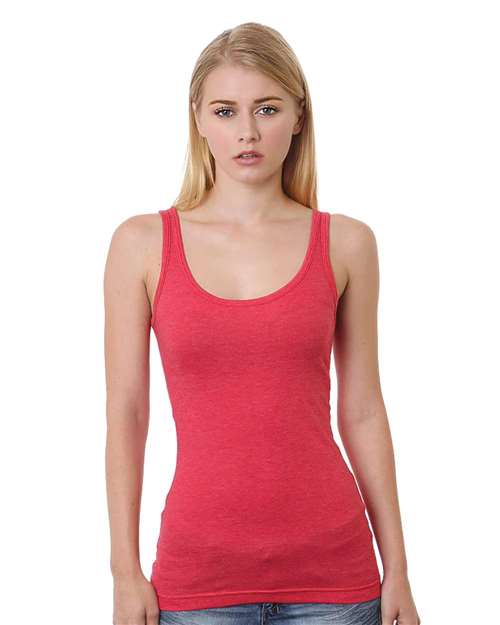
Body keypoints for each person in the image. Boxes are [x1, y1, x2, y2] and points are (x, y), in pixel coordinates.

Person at [104, 21, 421, 625]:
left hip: (335, 579)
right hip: (197, 578)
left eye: (267, 109)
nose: (247, 131)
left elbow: (362, 411)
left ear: (299, 117)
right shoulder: (141, 244)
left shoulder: (347, 243)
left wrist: (399, 570)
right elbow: (127, 412)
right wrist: (124, 570)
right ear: (198, 119)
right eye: (225, 111)